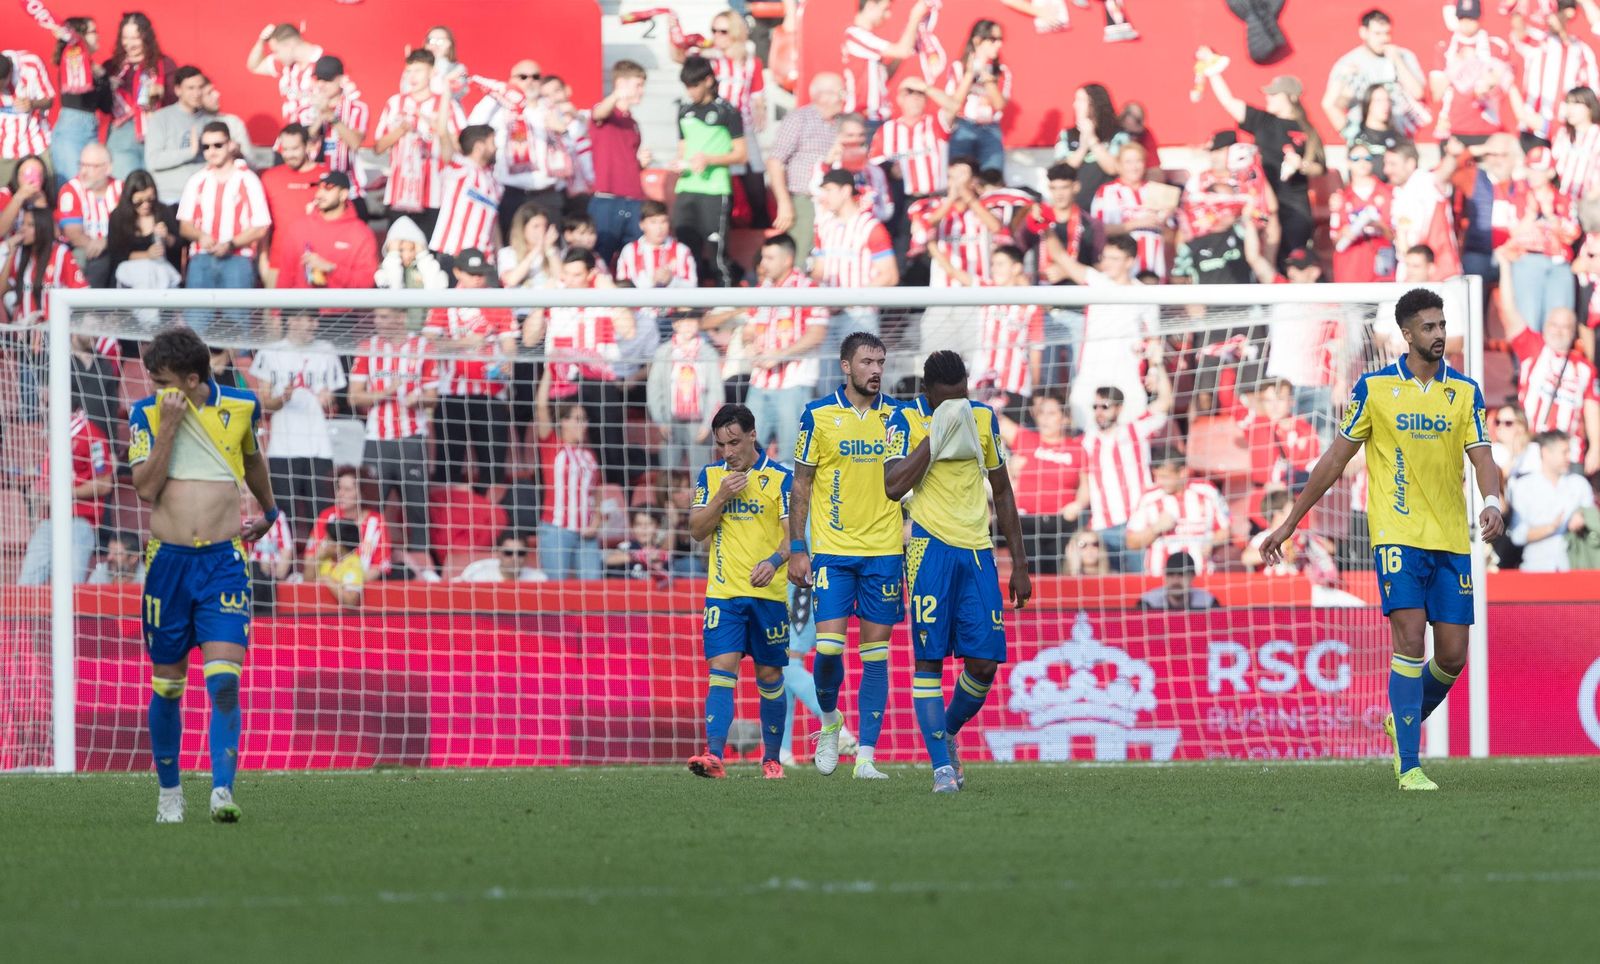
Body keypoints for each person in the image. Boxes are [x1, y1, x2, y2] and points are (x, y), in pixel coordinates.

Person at [1260, 288, 1506, 791]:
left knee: (1453, 655)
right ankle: (1410, 765)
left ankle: (1404, 718)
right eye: (1430, 327)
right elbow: (1334, 459)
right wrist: (1290, 521)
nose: (1439, 335)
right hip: (1396, 536)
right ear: (1408, 334)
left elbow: (1482, 455)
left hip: (1452, 538)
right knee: (1411, 639)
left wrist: (1492, 500)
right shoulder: (1373, 389)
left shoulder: (1464, 391)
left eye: (1442, 325)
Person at [127, 325, 280, 823]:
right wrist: (168, 425)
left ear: (192, 379)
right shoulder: (146, 415)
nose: (154, 389)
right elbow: (145, 490)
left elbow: (252, 459)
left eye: (163, 380)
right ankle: (170, 794)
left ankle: (221, 790)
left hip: (222, 565)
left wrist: (271, 511)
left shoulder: (240, 406)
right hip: (168, 566)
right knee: (168, 686)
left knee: (225, 683)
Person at [883, 350, 1031, 793]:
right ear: (927, 392)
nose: (957, 405)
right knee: (929, 661)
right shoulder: (903, 422)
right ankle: (941, 770)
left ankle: (944, 735)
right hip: (929, 549)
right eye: (947, 399)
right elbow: (892, 486)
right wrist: (937, 434)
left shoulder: (983, 418)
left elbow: (1001, 491)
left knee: (985, 664)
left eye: (962, 397)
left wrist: (1019, 563)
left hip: (978, 551)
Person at [788, 332, 905, 779]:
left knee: (876, 656)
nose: (875, 369)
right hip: (833, 553)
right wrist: (799, 547)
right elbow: (801, 484)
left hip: (883, 553)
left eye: (880, 361)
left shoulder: (897, 416)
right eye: (867, 362)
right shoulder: (817, 415)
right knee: (830, 652)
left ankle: (867, 758)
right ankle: (831, 720)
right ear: (845, 366)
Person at [684, 404, 794, 779]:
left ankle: (772, 759)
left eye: (734, 442)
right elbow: (697, 530)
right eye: (720, 445)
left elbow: (791, 537)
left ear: (752, 435)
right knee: (721, 671)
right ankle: (714, 756)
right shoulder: (712, 476)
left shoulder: (780, 478)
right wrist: (720, 499)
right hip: (724, 593)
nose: (728, 452)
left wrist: (775, 562)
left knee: (769, 677)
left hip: (769, 595)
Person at [1195, 59, 1325, 264]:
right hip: (1262, 206)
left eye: (1274, 94)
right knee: (1262, 262)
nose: (1268, 97)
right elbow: (1229, 102)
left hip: (1294, 208)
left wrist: (1300, 165)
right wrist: (1212, 72)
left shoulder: (1307, 130)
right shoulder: (1263, 121)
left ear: (1291, 97)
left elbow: (1319, 167)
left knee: (1292, 262)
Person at [349, 307, 440, 571]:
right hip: (377, 439)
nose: (379, 322)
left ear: (401, 317)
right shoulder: (367, 347)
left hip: (412, 438)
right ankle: (367, 562)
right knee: (370, 504)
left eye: (385, 316)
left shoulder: (424, 347)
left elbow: (433, 395)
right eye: (377, 317)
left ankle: (422, 568)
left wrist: (418, 399)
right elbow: (354, 396)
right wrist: (387, 392)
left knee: (416, 507)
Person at [423, 250, 517, 492]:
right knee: (449, 461)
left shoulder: (497, 301)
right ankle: (447, 519)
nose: (477, 278)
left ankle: (491, 519)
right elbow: (428, 342)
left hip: (491, 392)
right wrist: (464, 343)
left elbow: (509, 343)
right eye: (471, 274)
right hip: (452, 393)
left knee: (493, 464)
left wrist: (508, 360)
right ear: (456, 272)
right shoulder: (445, 301)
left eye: (480, 274)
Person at [1494, 260, 1600, 474]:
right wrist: (1505, 267)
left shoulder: (1585, 368)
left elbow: (1591, 408)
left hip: (1570, 455)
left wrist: (1596, 448)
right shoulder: (1532, 347)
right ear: (1545, 326)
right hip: (1534, 449)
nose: (1559, 331)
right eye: (1554, 324)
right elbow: (1509, 309)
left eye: (1566, 326)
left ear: (1573, 332)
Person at [250, 310, 346, 539]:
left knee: (321, 513)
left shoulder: (327, 351)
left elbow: (335, 398)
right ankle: (287, 569)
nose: (312, 325)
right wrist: (283, 397)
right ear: (291, 320)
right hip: (283, 447)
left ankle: (321, 567)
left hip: (319, 446)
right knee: (285, 515)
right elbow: (264, 403)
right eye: (306, 319)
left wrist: (328, 398)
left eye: (314, 320)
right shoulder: (270, 352)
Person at [739, 235, 830, 455]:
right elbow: (748, 329)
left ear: (787, 260)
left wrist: (781, 355)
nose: (763, 264)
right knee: (746, 455)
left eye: (770, 258)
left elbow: (817, 333)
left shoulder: (808, 289)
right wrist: (749, 345)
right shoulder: (762, 289)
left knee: (791, 458)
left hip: (793, 385)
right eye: (763, 257)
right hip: (759, 383)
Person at [176, 121, 269, 325]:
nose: (212, 151)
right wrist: (201, 236)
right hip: (201, 258)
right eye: (206, 146)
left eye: (218, 145)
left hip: (238, 259)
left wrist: (231, 244)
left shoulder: (248, 179)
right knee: (196, 324)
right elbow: (184, 225)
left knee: (238, 325)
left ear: (230, 145)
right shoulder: (196, 180)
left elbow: (261, 226)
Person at [17, 394, 114, 585]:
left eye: (47, 404)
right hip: (49, 521)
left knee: (70, 589)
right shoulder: (58, 437)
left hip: (78, 521)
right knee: (26, 586)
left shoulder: (92, 436)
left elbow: (104, 484)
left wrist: (61, 493)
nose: (44, 409)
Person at [375, 49, 465, 238]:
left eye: (418, 71)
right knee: (396, 253)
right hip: (399, 195)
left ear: (432, 73)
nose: (412, 76)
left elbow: (462, 145)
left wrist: (436, 126)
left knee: (430, 256)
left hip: (434, 195)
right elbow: (379, 147)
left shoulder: (446, 105)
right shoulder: (395, 103)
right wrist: (401, 130)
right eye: (409, 71)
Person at [674, 57, 746, 287]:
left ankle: (726, 305)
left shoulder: (728, 111)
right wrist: (678, 164)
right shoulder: (684, 111)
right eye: (687, 86)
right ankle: (689, 311)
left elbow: (741, 154)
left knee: (716, 254)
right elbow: (683, 151)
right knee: (687, 253)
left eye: (694, 85)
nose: (691, 91)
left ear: (708, 81)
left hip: (715, 189)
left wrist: (710, 160)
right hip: (687, 187)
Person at [811, 169, 897, 357]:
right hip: (828, 315)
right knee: (828, 381)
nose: (823, 196)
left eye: (828, 190)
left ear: (846, 190)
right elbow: (818, 271)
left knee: (860, 380)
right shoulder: (824, 226)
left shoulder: (871, 227)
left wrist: (846, 300)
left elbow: (889, 276)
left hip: (860, 316)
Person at [1500, 147, 1579, 329]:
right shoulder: (1517, 197)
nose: (1533, 174)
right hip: (1528, 261)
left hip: (1559, 265)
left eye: (1538, 169)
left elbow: (1573, 234)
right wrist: (1531, 213)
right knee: (1529, 322)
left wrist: (1551, 216)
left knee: (1560, 323)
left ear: (1550, 172)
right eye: (1530, 168)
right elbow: (1510, 234)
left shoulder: (1564, 199)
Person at [533, 368, 602, 580]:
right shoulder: (552, 445)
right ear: (563, 421)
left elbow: (596, 493)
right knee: (556, 593)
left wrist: (597, 522)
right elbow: (541, 407)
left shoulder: (589, 455)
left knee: (592, 592)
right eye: (577, 419)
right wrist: (549, 370)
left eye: (585, 419)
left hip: (587, 533)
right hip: (556, 529)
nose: (583, 424)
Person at [768, 72, 845, 252]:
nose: (844, 98)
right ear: (822, 96)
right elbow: (775, 162)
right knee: (803, 255)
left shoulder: (843, 123)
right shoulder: (799, 119)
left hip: (836, 202)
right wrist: (784, 203)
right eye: (841, 93)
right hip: (805, 201)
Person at [1322, 9, 1429, 138]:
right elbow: (1333, 105)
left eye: (1387, 33)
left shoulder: (1404, 56)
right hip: (1365, 135)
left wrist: (1398, 61)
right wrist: (1345, 94)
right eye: (1377, 34)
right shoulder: (1348, 63)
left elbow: (1418, 93)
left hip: (1400, 134)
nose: (1384, 39)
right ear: (1363, 32)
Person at [1125, 448, 1232, 577]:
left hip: (1201, 576)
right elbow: (1131, 542)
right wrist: (1155, 529)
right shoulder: (1149, 498)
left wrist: (1211, 542)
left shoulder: (1207, 491)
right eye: (1156, 476)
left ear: (1182, 472)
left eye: (1164, 477)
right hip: (1159, 578)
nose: (1159, 481)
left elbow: (1226, 530)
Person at [588, 60, 650, 264]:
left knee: (634, 258)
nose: (641, 91)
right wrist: (617, 94)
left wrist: (640, 163)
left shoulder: (632, 122)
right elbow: (598, 113)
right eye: (637, 85)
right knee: (602, 257)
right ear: (621, 83)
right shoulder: (605, 113)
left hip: (634, 199)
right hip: (607, 199)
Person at [270, 171, 377, 289]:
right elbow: (285, 277)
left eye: (328, 188)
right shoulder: (298, 228)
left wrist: (331, 269)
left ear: (343, 194)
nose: (319, 194)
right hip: (301, 306)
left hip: (341, 305)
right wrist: (277, 307)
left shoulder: (361, 234)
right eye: (319, 188)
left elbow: (366, 282)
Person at [1509, 431, 1596, 570]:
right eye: (1564, 452)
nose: (1569, 457)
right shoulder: (1524, 486)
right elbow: (1517, 535)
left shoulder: (1579, 484)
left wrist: (1583, 516)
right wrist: (1551, 528)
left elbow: (1594, 521)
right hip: (1536, 569)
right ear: (1545, 452)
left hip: (1574, 567)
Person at [842, 0, 930, 133]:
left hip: (878, 119)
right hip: (864, 120)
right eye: (885, 9)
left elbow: (884, 76)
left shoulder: (864, 38)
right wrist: (915, 17)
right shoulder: (855, 34)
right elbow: (902, 50)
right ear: (871, 5)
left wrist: (907, 47)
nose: (887, 15)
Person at [304, 467, 393, 583]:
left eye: (347, 489)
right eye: (339, 488)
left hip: (360, 588)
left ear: (362, 494)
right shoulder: (327, 516)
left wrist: (350, 585)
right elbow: (309, 557)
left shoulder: (377, 522)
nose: (340, 493)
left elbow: (379, 566)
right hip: (324, 586)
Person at [104, 169, 181, 302]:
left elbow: (179, 244)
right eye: (139, 201)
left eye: (150, 200)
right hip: (131, 273)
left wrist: (166, 237)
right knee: (146, 273)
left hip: (161, 272)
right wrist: (147, 255)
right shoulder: (118, 217)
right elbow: (116, 253)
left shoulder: (163, 211)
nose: (145, 205)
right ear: (129, 198)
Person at [943, 20, 1010, 173]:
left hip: (991, 129)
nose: (998, 44)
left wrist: (987, 78)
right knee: (960, 176)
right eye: (993, 39)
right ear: (977, 40)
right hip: (963, 126)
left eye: (1000, 40)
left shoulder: (1001, 71)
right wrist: (969, 75)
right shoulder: (958, 67)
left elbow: (999, 104)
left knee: (991, 176)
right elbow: (953, 103)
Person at [302, 55, 369, 208]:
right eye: (319, 79)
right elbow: (305, 142)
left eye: (328, 80)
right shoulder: (308, 107)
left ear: (341, 79)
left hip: (350, 190)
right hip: (316, 190)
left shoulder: (357, 108)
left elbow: (355, 142)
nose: (322, 85)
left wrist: (332, 118)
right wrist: (320, 116)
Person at [143, 66, 215, 206]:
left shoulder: (210, 120)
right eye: (191, 88)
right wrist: (190, 152)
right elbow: (153, 161)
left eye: (200, 87)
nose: (197, 93)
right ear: (178, 90)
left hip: (204, 197)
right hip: (170, 198)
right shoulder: (161, 118)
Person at [46, 17, 105, 186]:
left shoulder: (96, 69)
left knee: (95, 184)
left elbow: (106, 106)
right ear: (81, 37)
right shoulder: (73, 63)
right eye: (93, 32)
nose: (98, 36)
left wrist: (104, 79)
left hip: (91, 128)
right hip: (71, 129)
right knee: (72, 186)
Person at [429, 124, 501, 263]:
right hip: (455, 253)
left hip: (485, 258)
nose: (496, 148)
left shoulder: (493, 180)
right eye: (492, 143)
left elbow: (493, 220)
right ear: (479, 146)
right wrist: (445, 100)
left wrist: (499, 253)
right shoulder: (460, 168)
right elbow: (443, 132)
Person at [53, 144, 120, 288]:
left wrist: (107, 241)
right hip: (83, 249)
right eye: (81, 165)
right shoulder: (70, 190)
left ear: (107, 168)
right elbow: (73, 234)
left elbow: (131, 227)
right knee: (90, 259)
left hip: (115, 247)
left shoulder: (121, 188)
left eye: (91, 166)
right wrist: (98, 246)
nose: (83, 171)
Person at [1329, 141, 1396, 282]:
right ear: (1348, 163)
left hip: (1380, 268)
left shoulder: (1388, 193)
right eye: (1356, 159)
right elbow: (1334, 237)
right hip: (1351, 268)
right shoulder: (1341, 197)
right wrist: (1344, 232)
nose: (1362, 162)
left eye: (1367, 158)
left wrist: (1380, 225)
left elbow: (1395, 234)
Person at [245, 22, 324, 124]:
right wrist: (261, 41)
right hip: (292, 134)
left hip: (317, 134)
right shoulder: (285, 65)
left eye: (276, 51)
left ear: (289, 45)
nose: (275, 56)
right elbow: (254, 66)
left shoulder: (324, 63)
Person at [1, 47, 55, 188]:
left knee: (47, 196)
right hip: (4, 150)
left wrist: (32, 103)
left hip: (37, 144)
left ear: (9, 76)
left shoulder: (30, 64)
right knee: (5, 204)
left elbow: (49, 100)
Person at [311, 517, 366, 608]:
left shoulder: (353, 564)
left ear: (338, 546)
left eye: (327, 539)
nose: (323, 542)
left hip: (341, 619)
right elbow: (306, 583)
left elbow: (351, 601)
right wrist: (315, 559)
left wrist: (328, 580)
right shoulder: (325, 559)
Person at [1137, 552, 1219, 611]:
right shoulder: (1148, 603)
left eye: (1181, 574)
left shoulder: (1209, 602)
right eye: (1170, 574)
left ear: (1192, 576)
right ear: (1165, 576)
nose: (1175, 580)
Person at [458, 531, 547, 583]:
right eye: (508, 553)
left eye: (520, 553)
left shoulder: (538, 579)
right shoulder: (478, 576)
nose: (514, 558)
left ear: (527, 555)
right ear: (498, 554)